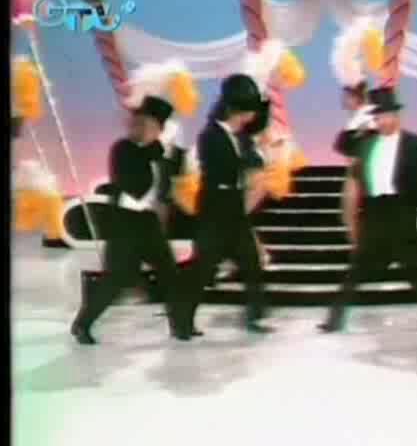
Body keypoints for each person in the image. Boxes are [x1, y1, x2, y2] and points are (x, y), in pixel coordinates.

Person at [318, 87, 417, 333]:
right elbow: (341, 145)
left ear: (396, 115)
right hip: (375, 211)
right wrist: (357, 121)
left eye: (386, 116)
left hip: (401, 209)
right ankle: (335, 318)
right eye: (377, 117)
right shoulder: (367, 143)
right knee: (357, 267)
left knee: (409, 266)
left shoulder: (414, 143)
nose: (382, 122)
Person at [71, 96, 188, 344]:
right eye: (139, 123)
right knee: (117, 278)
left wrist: (173, 153)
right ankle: (82, 324)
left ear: (159, 128)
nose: (141, 128)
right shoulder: (123, 149)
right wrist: (158, 148)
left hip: (148, 222)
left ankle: (180, 326)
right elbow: (135, 186)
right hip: (124, 222)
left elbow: (169, 184)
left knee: (170, 273)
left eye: (149, 125)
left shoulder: (160, 154)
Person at [186, 74, 273, 336]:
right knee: (203, 268)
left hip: (234, 206)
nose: (253, 116)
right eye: (249, 110)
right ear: (236, 110)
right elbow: (223, 168)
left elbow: (253, 161)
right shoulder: (210, 135)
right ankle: (182, 320)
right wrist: (249, 160)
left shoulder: (241, 137)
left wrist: (258, 157)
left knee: (251, 262)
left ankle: (255, 317)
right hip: (215, 207)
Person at [339, 81, 375, 244]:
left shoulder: (367, 116)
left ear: (354, 97)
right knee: (349, 212)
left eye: (346, 97)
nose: (343, 100)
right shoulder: (358, 117)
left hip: (363, 169)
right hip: (358, 169)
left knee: (351, 212)